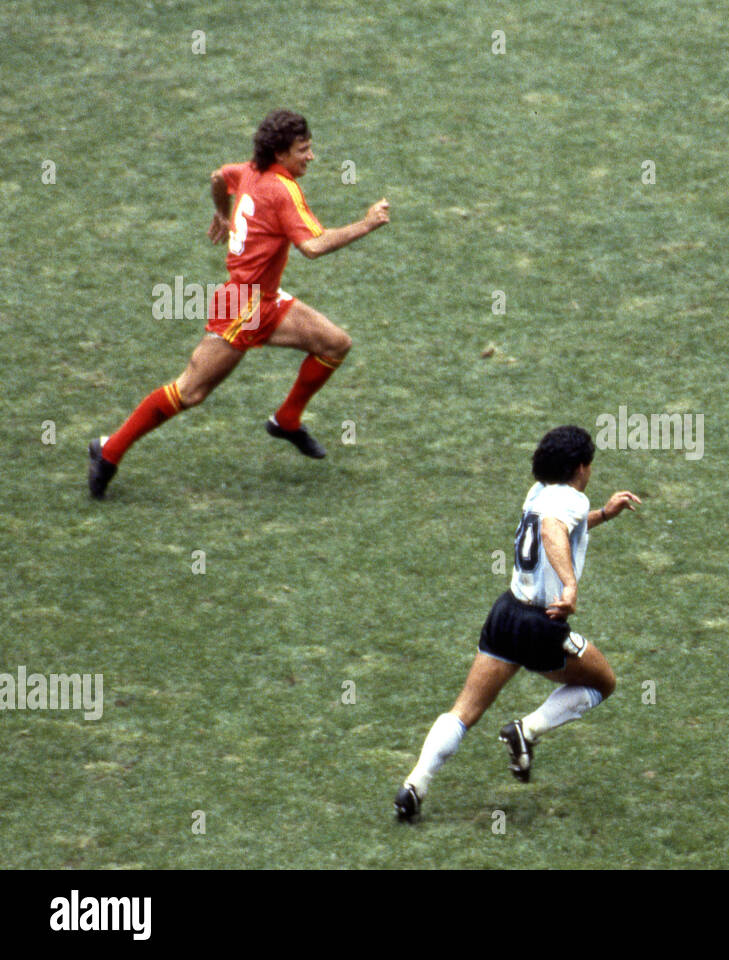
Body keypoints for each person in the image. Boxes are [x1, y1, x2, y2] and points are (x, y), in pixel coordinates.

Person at [87, 109, 390, 499]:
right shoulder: (283, 190)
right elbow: (312, 246)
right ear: (280, 154)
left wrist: (221, 212)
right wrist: (366, 223)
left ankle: (286, 420)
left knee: (335, 344)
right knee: (190, 391)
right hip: (242, 308)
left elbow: (218, 177)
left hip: (264, 299)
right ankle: (108, 451)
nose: (311, 156)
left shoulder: (250, 170)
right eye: (304, 149)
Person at [395, 425, 642, 821]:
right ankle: (526, 731)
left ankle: (414, 784)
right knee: (603, 682)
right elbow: (552, 530)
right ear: (581, 467)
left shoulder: (538, 493)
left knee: (464, 711)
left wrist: (604, 515)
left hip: (505, 613)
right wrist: (570, 585)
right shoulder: (572, 498)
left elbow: (558, 523)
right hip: (539, 624)